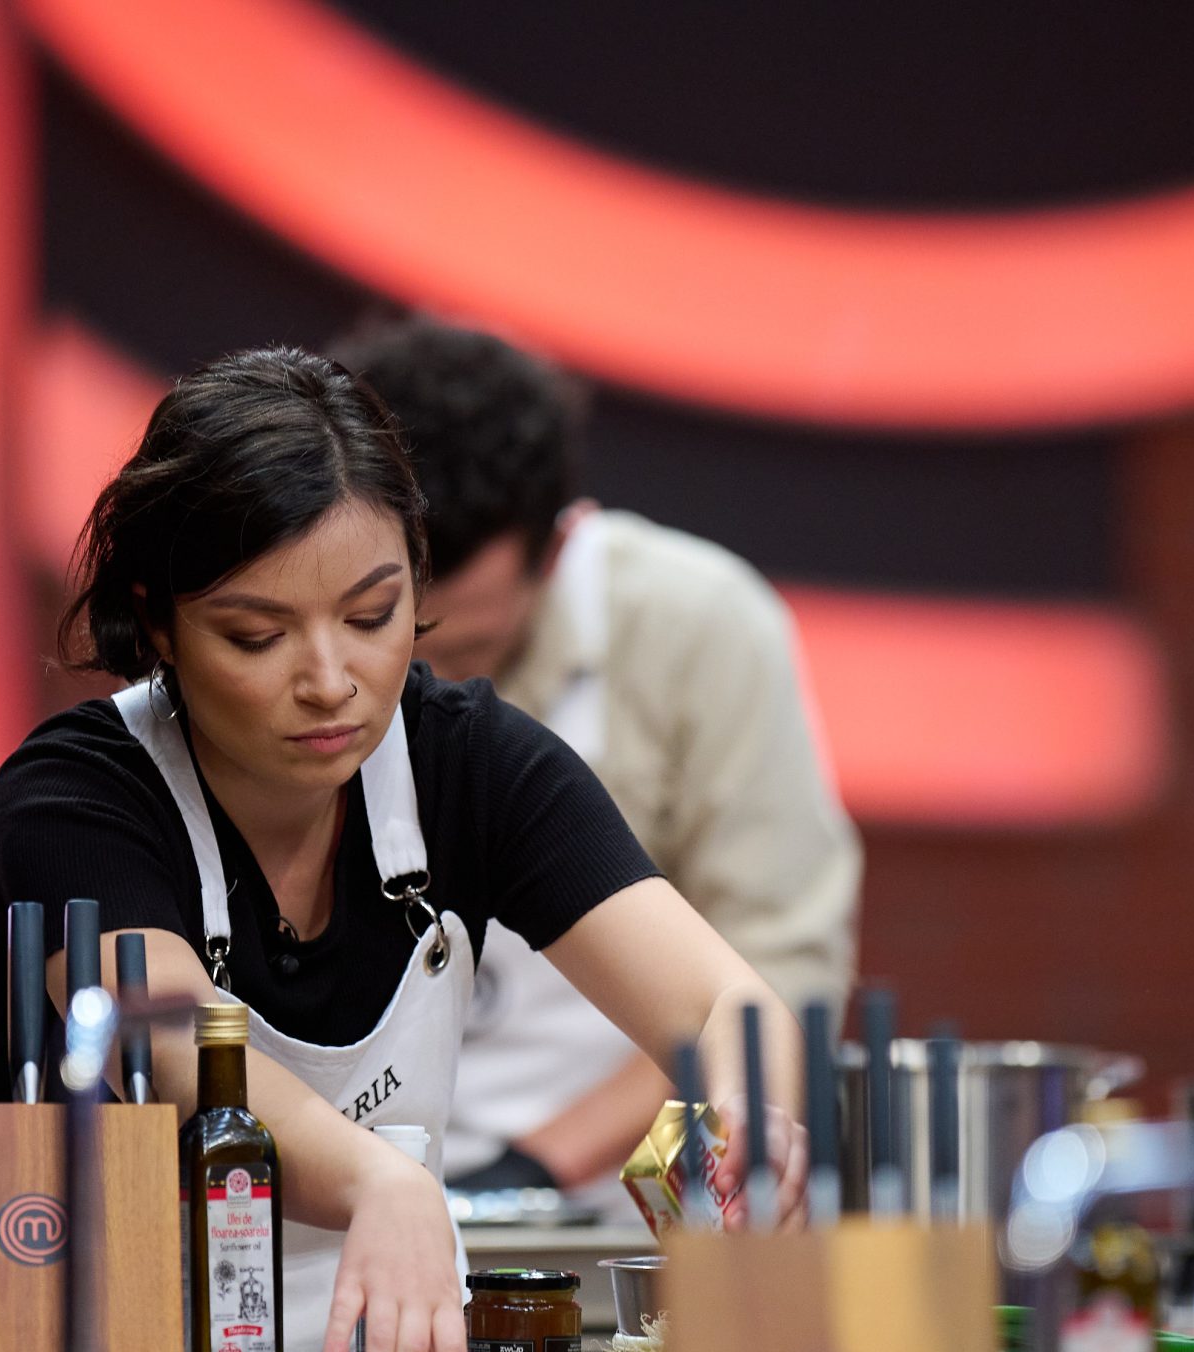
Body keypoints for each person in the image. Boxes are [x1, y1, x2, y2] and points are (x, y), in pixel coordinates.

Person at [0, 347, 806, 1352]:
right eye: (256, 635)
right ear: (157, 620)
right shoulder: (74, 794)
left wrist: (750, 1107)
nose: (330, 680)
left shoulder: (474, 763)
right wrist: (385, 1180)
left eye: (371, 616)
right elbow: (169, 1037)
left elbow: (724, 1004)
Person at [330, 317, 861, 1213]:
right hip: (342, 1199)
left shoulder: (699, 626)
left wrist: (534, 1166)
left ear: (558, 544)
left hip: (611, 1213)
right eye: (381, 626)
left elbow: (776, 971)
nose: (419, 687)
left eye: (469, 644)